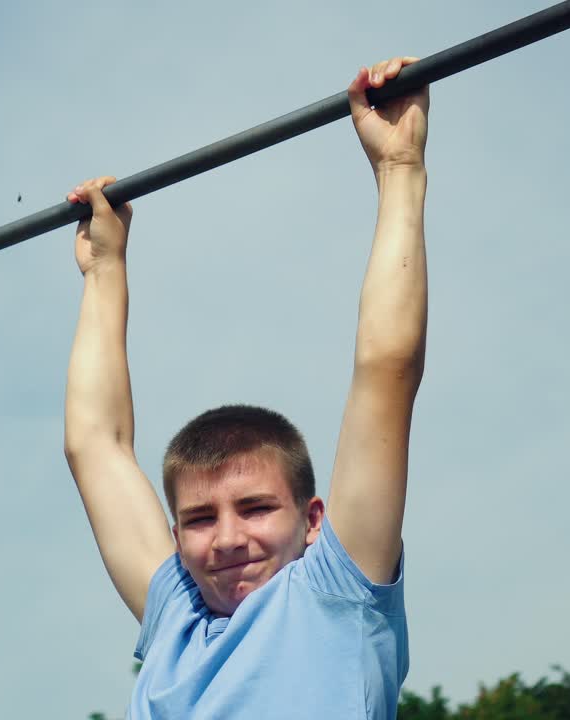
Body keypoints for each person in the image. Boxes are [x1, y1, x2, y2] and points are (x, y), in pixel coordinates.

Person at [63, 56, 429, 719]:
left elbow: (387, 368)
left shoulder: (335, 595)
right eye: (200, 519)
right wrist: (104, 271)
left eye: (256, 508)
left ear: (313, 521)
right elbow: (94, 444)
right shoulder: (177, 618)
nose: (228, 538)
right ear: (177, 536)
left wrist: (399, 171)